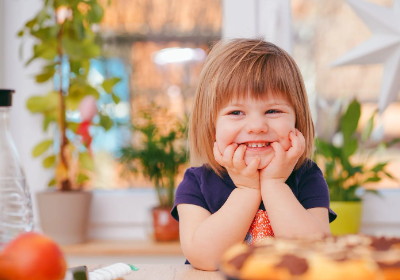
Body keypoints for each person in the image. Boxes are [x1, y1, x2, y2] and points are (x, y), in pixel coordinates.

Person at [171, 39, 336, 271]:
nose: (257, 126)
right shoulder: (196, 183)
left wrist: (275, 184)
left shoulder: (307, 177)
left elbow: (314, 255)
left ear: (297, 120)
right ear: (211, 125)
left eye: (273, 110)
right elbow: (204, 258)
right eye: (236, 112)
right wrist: (247, 190)